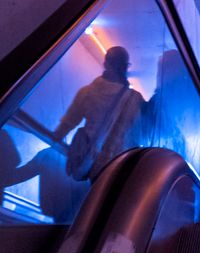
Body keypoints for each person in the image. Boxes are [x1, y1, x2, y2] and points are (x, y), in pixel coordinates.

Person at [53, 45, 146, 180]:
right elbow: (140, 135)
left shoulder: (87, 93)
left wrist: (55, 138)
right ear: (126, 67)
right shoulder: (135, 99)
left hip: (95, 166)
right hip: (122, 168)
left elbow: (67, 124)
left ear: (105, 64)